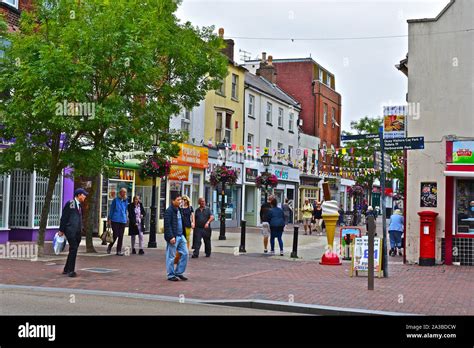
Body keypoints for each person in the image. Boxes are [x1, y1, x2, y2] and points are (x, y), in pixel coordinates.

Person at [58, 188, 88, 277]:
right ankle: (71, 271)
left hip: (77, 232)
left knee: (73, 250)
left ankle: (66, 269)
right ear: (78, 195)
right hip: (70, 230)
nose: (85, 196)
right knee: (74, 248)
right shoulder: (71, 203)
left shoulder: (79, 205)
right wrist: (61, 230)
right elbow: (64, 217)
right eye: (84, 195)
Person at [164, 192, 188, 281]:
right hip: (173, 237)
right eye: (178, 200)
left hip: (181, 236)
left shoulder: (179, 210)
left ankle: (179, 272)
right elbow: (167, 225)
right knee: (171, 256)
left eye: (180, 199)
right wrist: (171, 237)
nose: (180, 201)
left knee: (185, 253)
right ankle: (170, 275)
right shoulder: (169, 211)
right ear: (172, 201)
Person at [107, 187, 128, 256]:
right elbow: (111, 210)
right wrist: (109, 219)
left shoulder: (125, 201)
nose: (124, 193)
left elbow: (125, 210)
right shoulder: (115, 200)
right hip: (115, 220)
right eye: (123, 192)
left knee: (121, 236)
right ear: (120, 193)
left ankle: (118, 250)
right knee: (115, 235)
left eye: (125, 192)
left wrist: (126, 218)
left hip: (123, 220)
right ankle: (110, 246)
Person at [175, 195, 194, 263]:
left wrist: (193, 223)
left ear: (187, 200)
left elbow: (192, 216)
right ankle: (180, 251)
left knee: (187, 238)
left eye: (185, 200)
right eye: (183, 199)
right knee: (181, 238)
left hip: (188, 224)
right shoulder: (180, 208)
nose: (184, 201)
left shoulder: (190, 208)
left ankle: (186, 251)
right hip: (181, 225)